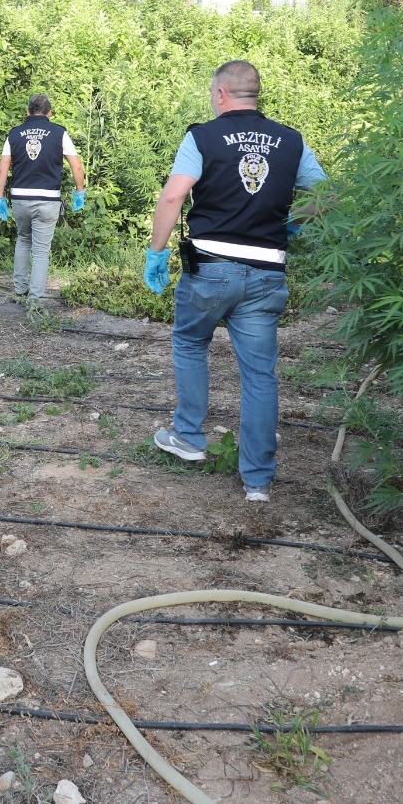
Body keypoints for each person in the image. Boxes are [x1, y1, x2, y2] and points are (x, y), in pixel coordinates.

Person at [142, 60, 326, 503]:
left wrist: (157, 251)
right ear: (254, 94)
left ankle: (188, 435)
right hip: (267, 272)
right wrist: (294, 223)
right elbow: (330, 195)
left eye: (212, 93)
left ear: (221, 93)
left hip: (211, 267)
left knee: (189, 342)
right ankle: (258, 482)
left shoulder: (202, 136)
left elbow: (174, 194)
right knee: (260, 376)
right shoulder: (291, 141)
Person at [0, 94, 86, 306]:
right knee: (41, 250)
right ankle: (34, 300)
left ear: (28, 112)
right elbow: (76, 166)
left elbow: (2, 170)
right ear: (49, 113)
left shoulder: (14, 134)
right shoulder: (59, 133)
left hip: (19, 199)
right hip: (48, 199)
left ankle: (19, 289)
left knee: (23, 240)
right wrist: (79, 192)